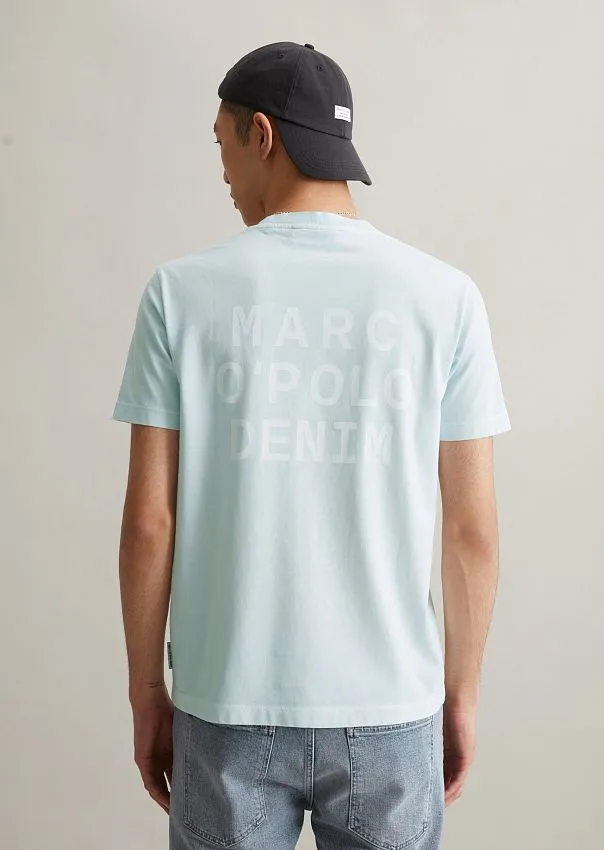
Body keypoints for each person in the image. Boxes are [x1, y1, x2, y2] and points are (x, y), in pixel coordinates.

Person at [112, 41, 511, 850]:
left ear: (261, 134)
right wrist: (461, 692)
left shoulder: (179, 295)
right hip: (391, 706)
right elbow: (471, 531)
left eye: (221, 141)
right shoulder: (445, 298)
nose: (223, 171)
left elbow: (151, 523)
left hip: (227, 704)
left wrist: (148, 691)